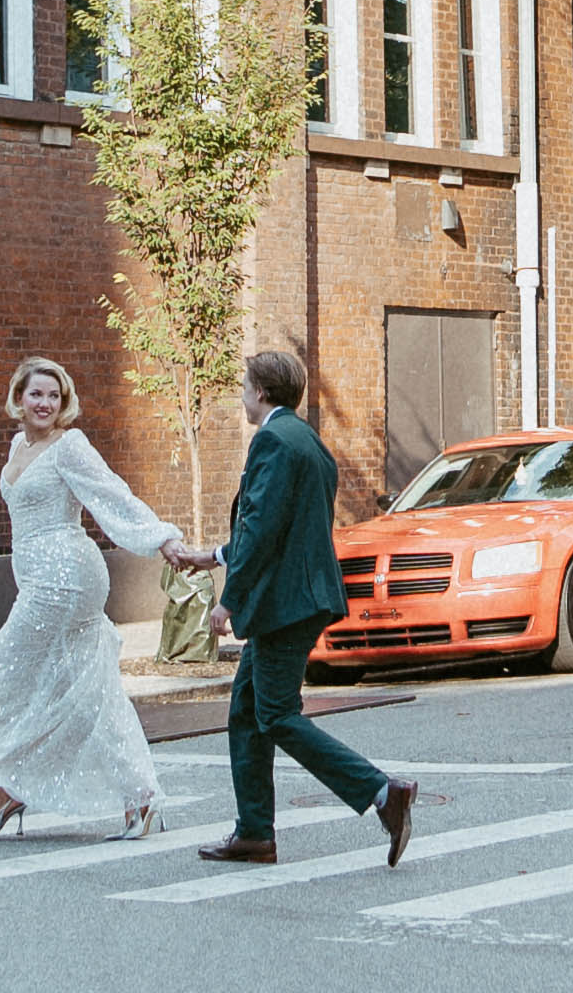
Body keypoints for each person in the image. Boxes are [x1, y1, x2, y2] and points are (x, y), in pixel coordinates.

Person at [169, 347, 419, 867]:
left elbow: (261, 530)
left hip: (285, 604)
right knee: (246, 711)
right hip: (297, 599)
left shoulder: (273, 442)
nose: (241, 397)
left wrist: (228, 599)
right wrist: (212, 556)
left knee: (277, 715)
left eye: (243, 388)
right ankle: (255, 832)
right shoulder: (307, 440)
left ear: (260, 393)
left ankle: (381, 792)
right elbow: (278, 526)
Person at [0, 356, 179, 840]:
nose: (45, 403)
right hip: (41, 578)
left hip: (66, 578)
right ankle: (138, 799)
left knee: (8, 665)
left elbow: (112, 495)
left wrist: (161, 537)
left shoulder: (69, 447)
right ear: (18, 397)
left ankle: (11, 787)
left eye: (54, 396)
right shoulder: (19, 444)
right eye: (36, 394)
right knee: (82, 689)